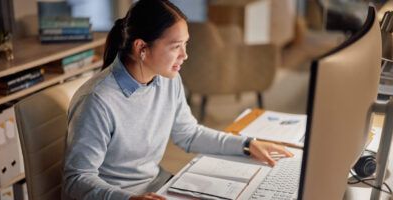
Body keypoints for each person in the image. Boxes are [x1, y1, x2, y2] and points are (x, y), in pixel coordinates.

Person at [62, 0, 293, 199]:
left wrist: (246, 144)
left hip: (157, 187)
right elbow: (77, 179)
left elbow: (189, 134)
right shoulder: (97, 100)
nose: (185, 55)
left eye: (185, 44)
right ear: (141, 47)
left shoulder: (167, 80)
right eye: (175, 47)